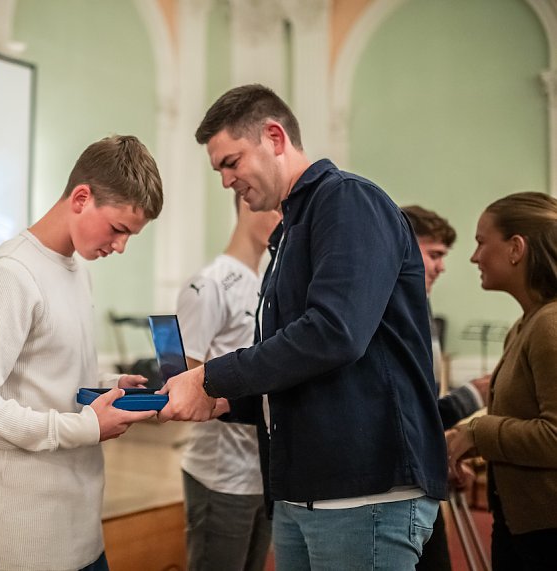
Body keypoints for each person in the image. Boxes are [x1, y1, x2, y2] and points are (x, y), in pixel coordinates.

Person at [159, 84, 448, 570]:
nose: (227, 181)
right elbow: (291, 367)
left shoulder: (349, 201)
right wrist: (223, 400)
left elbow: (334, 332)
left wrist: (211, 377)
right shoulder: (293, 230)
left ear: (274, 136)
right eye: (220, 170)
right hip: (302, 490)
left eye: (231, 162)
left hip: (363, 491)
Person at [0, 135, 164, 571]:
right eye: (118, 229)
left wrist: (110, 390)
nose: (121, 247)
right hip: (22, 541)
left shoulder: (76, 269)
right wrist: (83, 428)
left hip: (79, 525)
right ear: (81, 198)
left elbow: (50, 382)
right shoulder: (10, 276)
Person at [446, 192, 557, 571]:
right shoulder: (526, 324)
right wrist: (464, 443)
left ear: (516, 248)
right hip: (524, 526)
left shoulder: (549, 325)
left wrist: (478, 434)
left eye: (480, 242)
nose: (475, 256)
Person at [178, 196, 281, 571]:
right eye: (275, 207)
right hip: (221, 473)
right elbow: (182, 382)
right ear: (246, 201)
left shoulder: (272, 282)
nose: (283, 218)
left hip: (264, 470)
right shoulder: (209, 284)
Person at [402, 205, 490, 571]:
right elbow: (407, 411)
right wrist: (471, 396)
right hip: (401, 483)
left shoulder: (422, 307)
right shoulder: (395, 313)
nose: (441, 267)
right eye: (434, 254)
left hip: (422, 470)